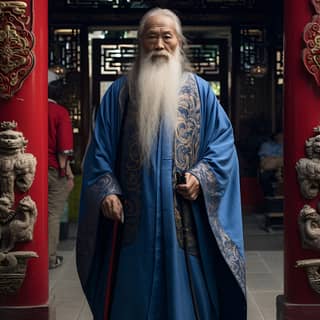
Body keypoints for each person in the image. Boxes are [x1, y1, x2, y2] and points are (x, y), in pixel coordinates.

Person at [76, 8, 246, 320]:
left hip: (185, 221)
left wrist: (201, 176)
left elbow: (222, 146)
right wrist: (108, 191)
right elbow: (99, 149)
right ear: (140, 42)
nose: (159, 44)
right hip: (135, 222)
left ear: (179, 42)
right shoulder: (120, 93)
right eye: (151, 36)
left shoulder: (201, 92)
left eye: (166, 36)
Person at [48, 71, 74, 269]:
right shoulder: (60, 112)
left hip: (28, 168)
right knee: (52, 214)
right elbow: (64, 149)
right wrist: (65, 173)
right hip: (53, 169)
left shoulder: (33, 109)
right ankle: (50, 257)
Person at [258, 131, 283, 196]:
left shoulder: (287, 145)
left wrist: (273, 159)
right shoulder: (266, 145)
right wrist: (279, 160)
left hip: (283, 170)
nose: (282, 136)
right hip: (269, 171)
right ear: (275, 136)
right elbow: (265, 165)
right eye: (280, 134)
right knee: (265, 177)